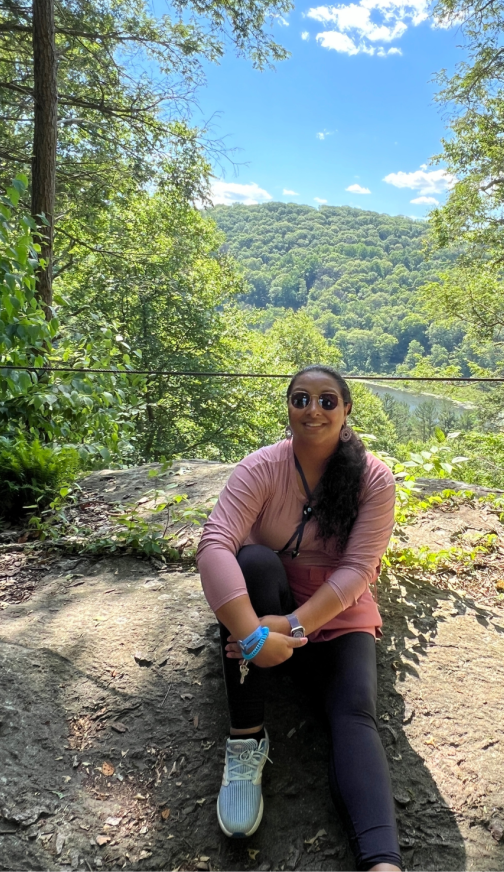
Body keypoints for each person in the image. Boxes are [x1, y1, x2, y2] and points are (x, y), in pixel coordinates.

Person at [196, 365, 402, 872]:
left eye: (327, 400)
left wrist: (285, 628)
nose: (314, 410)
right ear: (288, 407)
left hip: (335, 610)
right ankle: (246, 739)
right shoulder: (262, 467)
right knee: (255, 562)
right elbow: (215, 543)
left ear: (347, 409)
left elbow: (358, 570)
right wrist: (250, 634)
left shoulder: (373, 479)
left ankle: (382, 862)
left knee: (354, 715)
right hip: (267, 597)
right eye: (301, 399)